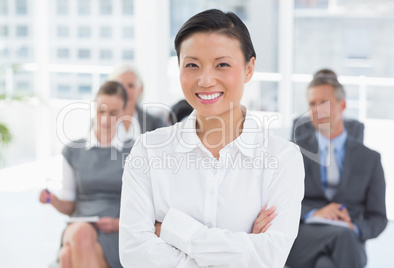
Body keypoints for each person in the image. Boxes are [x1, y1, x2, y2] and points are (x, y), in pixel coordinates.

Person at [119, 9, 304, 267]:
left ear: (249, 68)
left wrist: (173, 230)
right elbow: (134, 254)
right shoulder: (148, 151)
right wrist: (242, 248)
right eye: (192, 65)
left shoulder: (283, 158)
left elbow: (269, 257)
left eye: (222, 64)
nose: (205, 80)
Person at [286, 75, 387, 267]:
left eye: (323, 102)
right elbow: (281, 204)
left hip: (347, 239)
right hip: (305, 238)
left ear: (342, 105)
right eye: (312, 103)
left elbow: (378, 217)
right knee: (343, 238)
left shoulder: (370, 159)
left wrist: (355, 227)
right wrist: (315, 213)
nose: (317, 110)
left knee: (326, 263)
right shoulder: (294, 152)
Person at [39, 81, 132, 268]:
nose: (105, 119)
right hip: (79, 226)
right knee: (81, 233)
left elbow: (145, 207)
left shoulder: (134, 150)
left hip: (116, 230)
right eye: (101, 111)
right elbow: (69, 206)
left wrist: (117, 224)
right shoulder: (73, 150)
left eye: (113, 113)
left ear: (123, 113)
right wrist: (52, 200)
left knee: (67, 257)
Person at [107, 63, 167, 141]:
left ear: (140, 89)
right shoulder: (101, 120)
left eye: (131, 86)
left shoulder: (154, 122)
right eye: (121, 85)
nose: (125, 91)